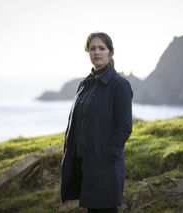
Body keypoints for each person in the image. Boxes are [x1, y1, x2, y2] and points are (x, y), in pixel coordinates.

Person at [61, 32, 133, 213]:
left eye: (102, 48)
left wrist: (108, 154)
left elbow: (124, 127)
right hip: (84, 162)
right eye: (92, 48)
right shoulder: (85, 84)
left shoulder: (119, 85)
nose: (97, 52)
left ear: (110, 53)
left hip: (105, 164)